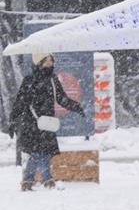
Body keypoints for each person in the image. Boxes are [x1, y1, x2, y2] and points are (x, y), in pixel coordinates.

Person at [10, 53, 84, 191]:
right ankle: (46, 180)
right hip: (32, 123)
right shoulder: (29, 80)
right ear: (39, 62)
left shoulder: (53, 79)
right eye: (47, 60)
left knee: (40, 152)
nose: (51, 63)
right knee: (40, 152)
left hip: (47, 122)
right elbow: (20, 102)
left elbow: (61, 98)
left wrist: (76, 106)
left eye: (51, 60)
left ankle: (29, 181)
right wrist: (13, 121)